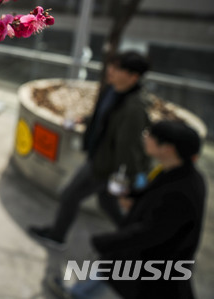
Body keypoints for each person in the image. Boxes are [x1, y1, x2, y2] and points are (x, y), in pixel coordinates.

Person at [29, 51, 152, 249]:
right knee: (107, 204)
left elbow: (128, 148)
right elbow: (104, 118)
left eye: (118, 68)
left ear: (133, 76)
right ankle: (136, 235)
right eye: (112, 65)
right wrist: (83, 120)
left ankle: (56, 236)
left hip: (102, 165)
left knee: (70, 195)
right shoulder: (113, 90)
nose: (110, 71)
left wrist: (131, 181)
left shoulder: (133, 108)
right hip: (99, 157)